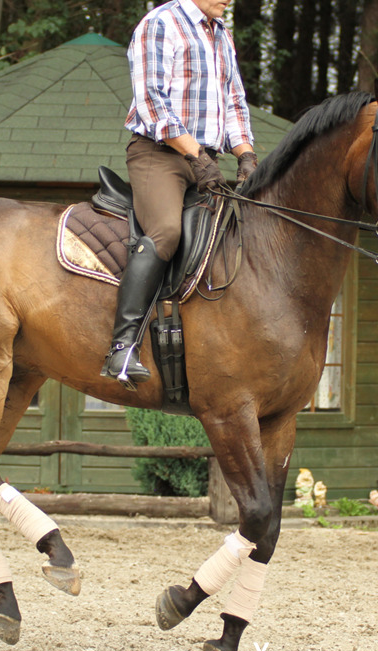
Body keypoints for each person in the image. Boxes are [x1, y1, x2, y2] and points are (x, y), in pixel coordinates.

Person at [101, 0, 258, 385]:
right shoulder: (160, 23)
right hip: (160, 155)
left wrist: (247, 155)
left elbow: (234, 103)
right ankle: (122, 348)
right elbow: (152, 102)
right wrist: (195, 155)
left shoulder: (221, 34)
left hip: (208, 159)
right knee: (166, 232)